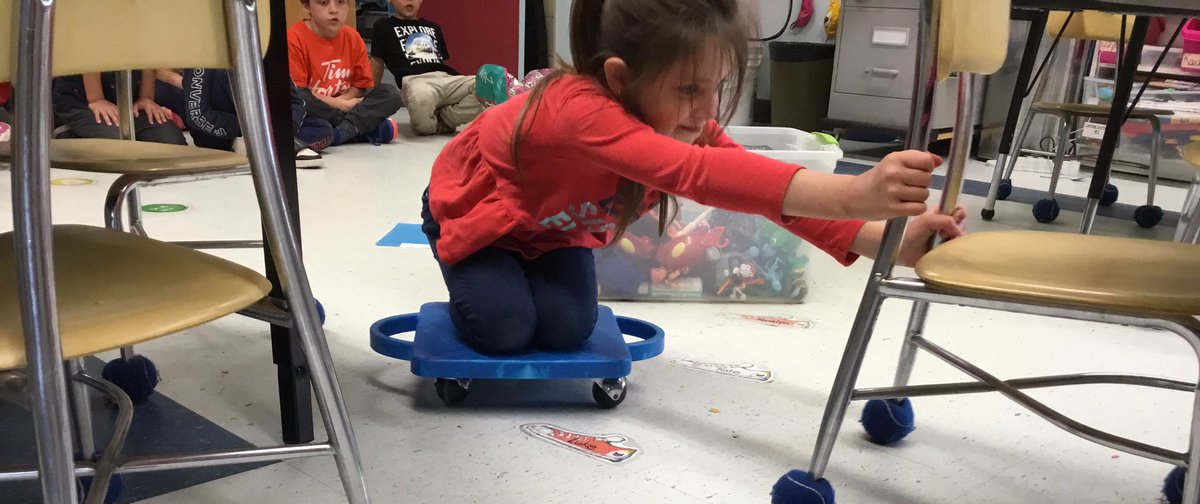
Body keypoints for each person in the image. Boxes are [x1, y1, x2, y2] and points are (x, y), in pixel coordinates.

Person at [421, 0, 965, 356]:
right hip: (484, 214)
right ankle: (479, 272)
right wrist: (854, 194)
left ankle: (516, 282)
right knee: (506, 330)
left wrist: (886, 246)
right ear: (619, 78)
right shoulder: (578, 109)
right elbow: (701, 175)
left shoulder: (683, 121)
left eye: (716, 87)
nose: (706, 111)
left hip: (550, 231)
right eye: (688, 90)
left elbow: (764, 194)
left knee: (565, 329)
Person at [156, 68, 334, 167]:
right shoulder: (204, 51)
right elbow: (197, 115)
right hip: (223, 132)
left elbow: (295, 101)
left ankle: (274, 141)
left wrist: (285, 128)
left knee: (323, 129)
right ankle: (274, 144)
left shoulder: (266, 46)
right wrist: (249, 130)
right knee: (229, 74)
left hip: (263, 123)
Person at [288, 0, 403, 146]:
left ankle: (340, 133)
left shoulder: (352, 37)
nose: (333, 10)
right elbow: (299, 93)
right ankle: (360, 127)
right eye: (323, 3)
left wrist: (344, 102)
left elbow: (360, 85)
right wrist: (340, 105)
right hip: (315, 107)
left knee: (390, 93)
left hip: (347, 103)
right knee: (301, 103)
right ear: (307, 6)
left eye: (341, 2)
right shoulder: (293, 38)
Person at [369, 0, 482, 135]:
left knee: (485, 87)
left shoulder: (433, 27)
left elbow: (441, 60)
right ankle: (432, 125)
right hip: (415, 80)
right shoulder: (383, 27)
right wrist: (370, 94)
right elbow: (377, 62)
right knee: (421, 98)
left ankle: (445, 120)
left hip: (446, 77)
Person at [51, 71, 186, 143]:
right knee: (117, 144)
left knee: (171, 140)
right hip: (83, 98)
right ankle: (70, 130)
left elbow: (146, 49)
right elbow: (90, 45)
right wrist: (96, 98)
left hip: (128, 97)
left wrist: (146, 97)